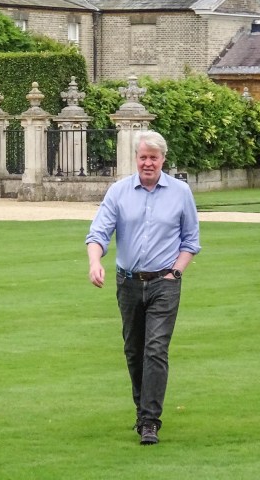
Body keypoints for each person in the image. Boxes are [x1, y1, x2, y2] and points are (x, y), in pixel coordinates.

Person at [86, 130, 201, 446]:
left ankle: (150, 421)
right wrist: (95, 262)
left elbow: (190, 241)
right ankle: (142, 411)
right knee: (134, 350)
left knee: (155, 349)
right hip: (128, 282)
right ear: (135, 158)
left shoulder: (180, 193)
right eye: (143, 157)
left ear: (163, 159)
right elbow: (98, 233)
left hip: (165, 282)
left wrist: (176, 273)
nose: (148, 163)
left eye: (153, 157)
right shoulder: (119, 192)